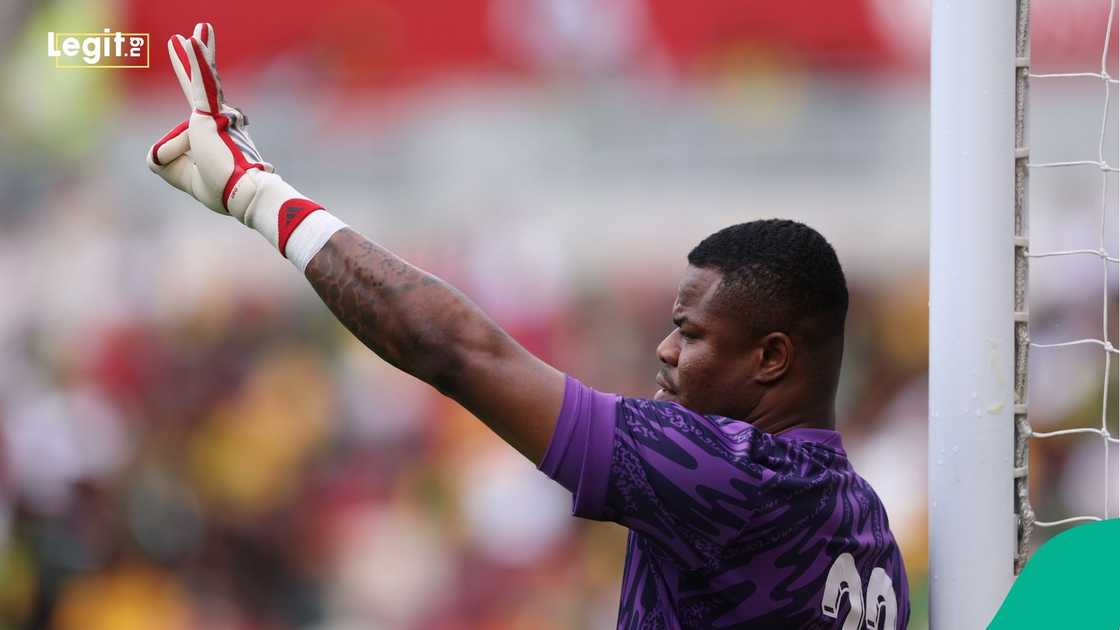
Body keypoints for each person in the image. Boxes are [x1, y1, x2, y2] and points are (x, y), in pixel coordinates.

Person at [148, 23, 910, 629]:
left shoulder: (732, 475)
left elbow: (449, 348)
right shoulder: (868, 527)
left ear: (772, 357)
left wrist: (253, 191)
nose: (665, 349)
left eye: (693, 332)